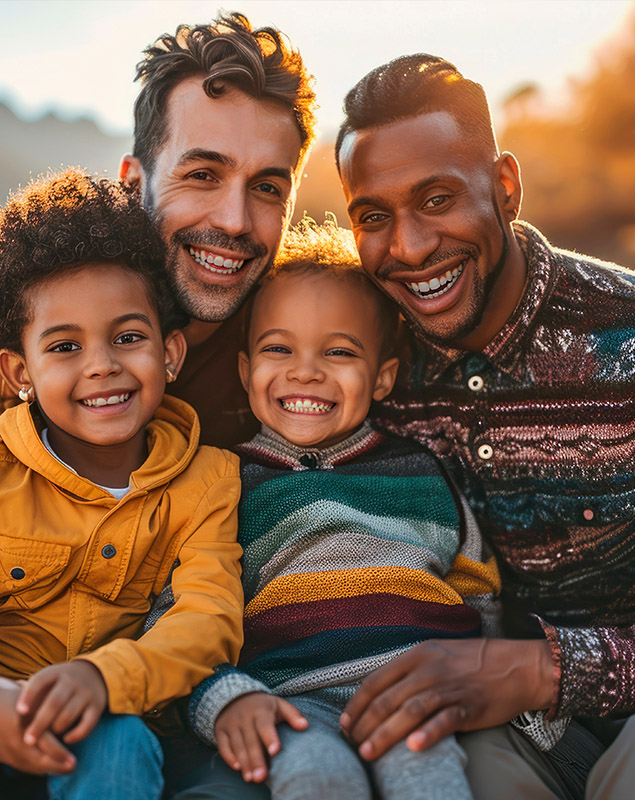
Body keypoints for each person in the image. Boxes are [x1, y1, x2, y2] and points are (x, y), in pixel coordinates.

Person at [335, 54, 635, 799]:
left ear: (504, 187)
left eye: (437, 199)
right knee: (447, 756)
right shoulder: (371, 368)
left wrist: (546, 667)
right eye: (373, 216)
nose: (407, 247)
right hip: (516, 718)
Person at [0, 11, 315, 570]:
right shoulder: (11, 296)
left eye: (267, 187)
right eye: (201, 175)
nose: (237, 220)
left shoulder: (306, 326)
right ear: (132, 180)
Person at [0, 170, 244, 799]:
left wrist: (104, 679)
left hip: (106, 717)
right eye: (64, 346)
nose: (101, 365)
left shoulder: (208, 483)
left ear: (170, 353)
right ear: (19, 371)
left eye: (128, 337)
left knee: (124, 744)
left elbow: (207, 619)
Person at [185, 220, 505, 800]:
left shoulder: (424, 472)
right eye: (278, 349)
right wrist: (227, 700)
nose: (306, 370)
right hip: (295, 704)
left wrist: (481, 675)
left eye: (338, 352)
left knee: (430, 783)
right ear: (244, 370)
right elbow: (182, 622)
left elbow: (477, 589)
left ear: (382, 379)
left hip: (415, 696)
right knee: (316, 782)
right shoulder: (222, 485)